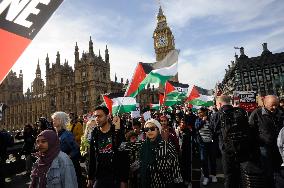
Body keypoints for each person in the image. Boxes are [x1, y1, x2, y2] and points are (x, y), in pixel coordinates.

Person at [87, 106, 129, 188]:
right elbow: (91, 155)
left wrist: (124, 180)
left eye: (100, 116)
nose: (97, 119)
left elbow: (124, 156)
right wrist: (90, 176)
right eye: (95, 116)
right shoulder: (94, 133)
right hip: (99, 176)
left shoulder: (118, 132)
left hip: (115, 177)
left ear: (108, 116)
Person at [249, 95, 284, 187]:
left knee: (278, 168)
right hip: (264, 147)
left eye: (276, 105)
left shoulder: (280, 112)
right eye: (272, 105)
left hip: (278, 146)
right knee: (267, 170)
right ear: (265, 104)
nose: (275, 107)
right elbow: (250, 130)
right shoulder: (256, 113)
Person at [139, 118, 183, 188]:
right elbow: (121, 147)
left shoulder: (167, 146)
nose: (149, 131)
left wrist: (178, 183)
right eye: (146, 129)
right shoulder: (142, 145)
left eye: (152, 128)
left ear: (158, 130)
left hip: (164, 184)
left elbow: (175, 168)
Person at [51, 111, 82, 188]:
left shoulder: (67, 134)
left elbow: (76, 149)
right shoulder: (55, 135)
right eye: (53, 119)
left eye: (55, 119)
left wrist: (67, 157)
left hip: (70, 167)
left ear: (61, 120)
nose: (53, 121)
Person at [195, 107, 217, 186]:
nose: (199, 114)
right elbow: (197, 127)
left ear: (205, 112)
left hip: (211, 143)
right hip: (202, 144)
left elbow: (214, 129)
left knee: (212, 160)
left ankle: (213, 175)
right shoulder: (198, 120)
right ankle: (206, 176)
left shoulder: (210, 119)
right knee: (203, 160)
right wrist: (203, 121)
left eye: (200, 112)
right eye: (198, 112)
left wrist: (207, 121)